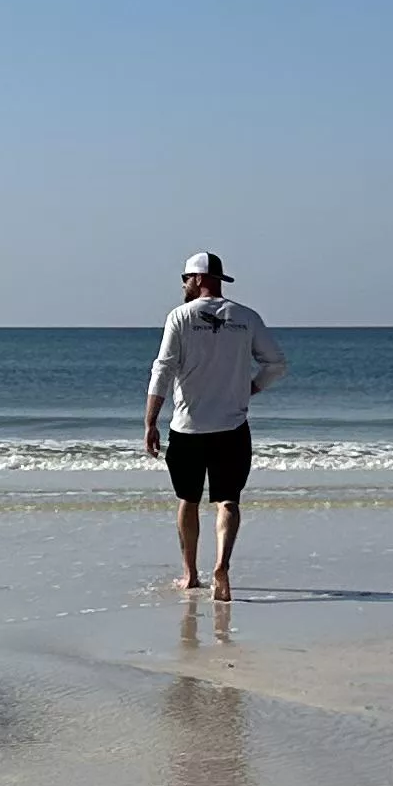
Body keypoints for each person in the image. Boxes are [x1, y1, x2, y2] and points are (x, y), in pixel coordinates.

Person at [143, 251, 287, 595]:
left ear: (198, 279)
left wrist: (150, 421)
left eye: (185, 278)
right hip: (232, 427)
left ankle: (190, 573)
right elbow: (277, 364)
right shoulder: (246, 317)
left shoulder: (179, 317)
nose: (182, 284)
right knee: (228, 500)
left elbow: (163, 368)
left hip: (188, 428)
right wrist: (249, 389)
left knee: (188, 501)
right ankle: (221, 566)